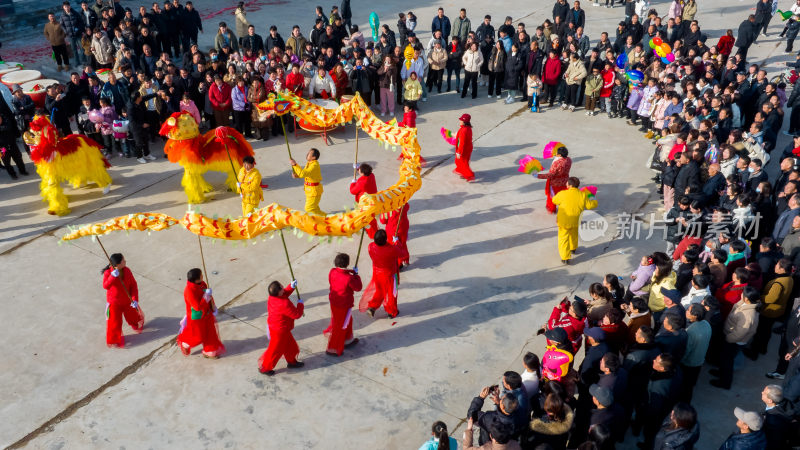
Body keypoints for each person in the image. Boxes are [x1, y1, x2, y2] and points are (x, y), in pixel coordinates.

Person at [710, 286, 760, 389]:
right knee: (724, 358)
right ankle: (720, 372)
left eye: (743, 294)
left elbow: (740, 332)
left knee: (727, 361)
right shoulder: (745, 304)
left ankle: (725, 382)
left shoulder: (748, 315)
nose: (741, 294)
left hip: (734, 340)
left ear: (746, 298)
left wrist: (729, 338)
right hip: (730, 335)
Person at [176, 268, 225, 358]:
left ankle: (210, 351)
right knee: (198, 336)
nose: (203, 276)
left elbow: (209, 297)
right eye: (201, 275)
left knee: (211, 332)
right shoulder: (189, 291)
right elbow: (197, 307)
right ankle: (185, 343)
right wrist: (206, 297)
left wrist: (213, 306)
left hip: (207, 313)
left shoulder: (202, 284)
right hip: (197, 318)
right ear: (196, 279)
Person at [258, 279, 303, 375]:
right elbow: (297, 315)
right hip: (280, 331)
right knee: (275, 351)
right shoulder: (284, 304)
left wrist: (291, 286)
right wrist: (300, 304)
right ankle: (265, 368)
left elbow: (284, 293)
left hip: (278, 328)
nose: (283, 287)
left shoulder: (272, 297)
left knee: (290, 345)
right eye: (281, 287)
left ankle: (291, 361)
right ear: (278, 292)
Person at [101, 253, 144, 348]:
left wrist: (134, 299)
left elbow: (133, 285)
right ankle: (114, 339)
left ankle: (135, 324)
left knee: (132, 316)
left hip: (127, 300)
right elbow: (105, 286)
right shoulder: (108, 273)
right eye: (123, 260)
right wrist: (112, 277)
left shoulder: (127, 270)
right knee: (114, 323)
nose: (125, 261)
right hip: (114, 303)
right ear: (117, 264)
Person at [552, 177, 598, 264]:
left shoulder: (563, 193)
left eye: (567, 183)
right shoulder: (583, 195)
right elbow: (591, 205)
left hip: (563, 222)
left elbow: (554, 200)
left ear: (569, 185)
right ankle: (573, 248)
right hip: (576, 220)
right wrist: (592, 197)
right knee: (574, 234)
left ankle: (565, 257)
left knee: (563, 239)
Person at [359, 229, 401, 319]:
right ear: (386, 239)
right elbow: (402, 253)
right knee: (392, 293)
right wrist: (396, 242)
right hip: (390, 274)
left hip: (377, 273)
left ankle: (372, 307)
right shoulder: (391, 249)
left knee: (379, 290)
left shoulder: (370, 246)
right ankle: (392, 311)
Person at [326, 253, 362, 357]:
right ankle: (333, 348)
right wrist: (356, 276)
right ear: (347, 264)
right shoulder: (349, 278)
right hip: (344, 305)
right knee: (341, 325)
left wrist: (352, 273)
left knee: (347, 321)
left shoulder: (332, 271)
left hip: (334, 301)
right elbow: (358, 288)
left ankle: (348, 339)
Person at [680, 304, 711, 403]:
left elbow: (686, 350)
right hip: (700, 360)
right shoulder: (706, 324)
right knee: (691, 383)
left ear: (695, 316)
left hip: (689, 363)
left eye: (688, 310)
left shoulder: (691, 331)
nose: (686, 311)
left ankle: (684, 404)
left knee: (686, 386)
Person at [290, 148, 325, 215]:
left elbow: (303, 173)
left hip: (314, 192)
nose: (307, 154)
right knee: (314, 208)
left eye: (309, 154)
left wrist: (294, 165)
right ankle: (322, 218)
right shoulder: (310, 163)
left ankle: (326, 218)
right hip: (310, 190)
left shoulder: (314, 166)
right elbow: (305, 174)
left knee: (309, 208)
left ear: (313, 157)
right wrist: (297, 176)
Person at [537, 146, 572, 214]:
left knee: (552, 196)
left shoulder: (557, 163)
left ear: (559, 155)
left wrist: (538, 176)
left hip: (555, 182)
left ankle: (551, 209)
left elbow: (551, 175)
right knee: (563, 196)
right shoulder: (569, 160)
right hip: (565, 181)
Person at [453, 113, 475, 181]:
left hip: (463, 150)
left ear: (464, 122)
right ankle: (464, 173)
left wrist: (459, 152)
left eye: (461, 120)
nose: (460, 121)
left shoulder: (463, 130)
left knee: (461, 162)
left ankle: (469, 175)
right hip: (469, 148)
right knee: (465, 162)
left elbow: (462, 143)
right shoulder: (468, 128)